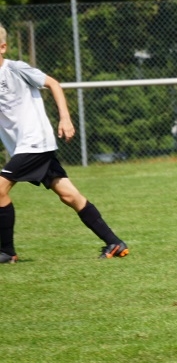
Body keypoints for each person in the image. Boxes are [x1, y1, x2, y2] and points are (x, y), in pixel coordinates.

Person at [0, 23, 129, 264]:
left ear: (3, 47)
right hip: (25, 147)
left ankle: (7, 252)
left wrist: (65, 118)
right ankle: (114, 242)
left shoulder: (15, 69)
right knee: (69, 196)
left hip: (35, 142)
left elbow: (54, 84)